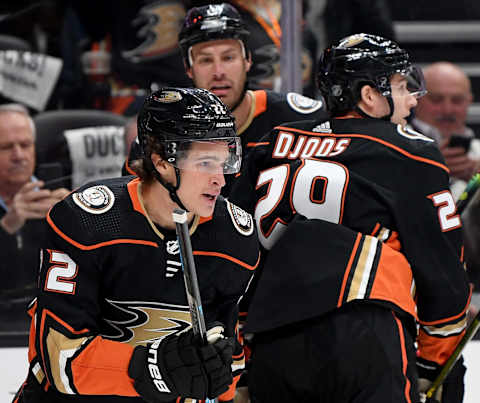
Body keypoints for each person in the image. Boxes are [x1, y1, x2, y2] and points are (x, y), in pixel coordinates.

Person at [229, 33, 471, 402]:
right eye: (400, 86)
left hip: (273, 339)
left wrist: (239, 362)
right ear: (370, 97)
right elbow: (443, 274)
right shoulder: (411, 151)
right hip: (365, 331)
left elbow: (233, 259)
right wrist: (436, 366)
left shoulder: (267, 145)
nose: (410, 99)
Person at [12, 87, 260, 403]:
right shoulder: (87, 223)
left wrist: (218, 371)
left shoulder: (234, 238)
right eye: (206, 163)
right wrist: (154, 368)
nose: (221, 180)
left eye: (224, 162)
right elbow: (59, 359)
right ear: (161, 162)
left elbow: (223, 372)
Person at [125, 2, 328, 195]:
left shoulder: (300, 121)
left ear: (247, 60)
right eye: (205, 60)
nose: (218, 72)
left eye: (228, 57)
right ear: (188, 68)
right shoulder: (160, 139)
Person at [0, 104, 68, 338]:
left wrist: (79, 224)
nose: (18, 155)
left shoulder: (62, 197)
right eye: (6, 147)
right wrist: (7, 227)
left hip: (55, 327)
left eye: (25, 145)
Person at [411, 61, 480, 199]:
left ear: (469, 101)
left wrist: (477, 182)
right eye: (436, 100)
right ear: (416, 99)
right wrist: (425, 172)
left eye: (457, 100)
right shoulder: (391, 147)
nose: (447, 110)